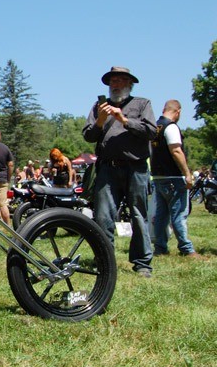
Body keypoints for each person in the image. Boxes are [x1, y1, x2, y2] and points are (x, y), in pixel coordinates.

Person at [82, 66, 157, 277]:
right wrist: (100, 120)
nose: (115, 84)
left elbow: (151, 131)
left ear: (129, 84)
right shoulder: (99, 106)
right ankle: (105, 260)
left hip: (136, 168)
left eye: (120, 80)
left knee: (138, 216)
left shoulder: (142, 104)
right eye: (112, 81)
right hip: (107, 169)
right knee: (103, 217)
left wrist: (124, 120)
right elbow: (88, 136)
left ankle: (142, 263)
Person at [151, 100, 202, 259]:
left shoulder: (155, 127)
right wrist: (187, 173)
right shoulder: (171, 127)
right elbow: (176, 151)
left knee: (161, 215)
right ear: (178, 111)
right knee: (179, 213)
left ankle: (160, 247)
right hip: (174, 177)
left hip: (158, 177)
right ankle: (187, 249)